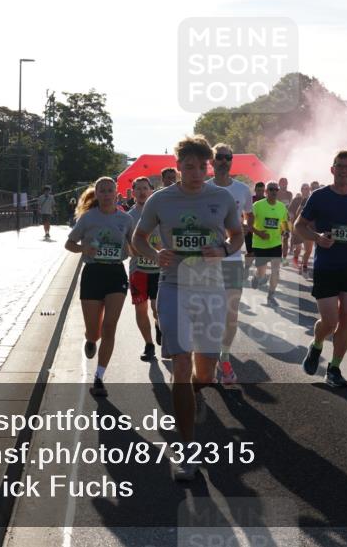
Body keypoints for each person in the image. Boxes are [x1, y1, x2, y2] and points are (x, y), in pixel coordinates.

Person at [132, 135, 242, 481]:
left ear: (208, 166)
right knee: (181, 364)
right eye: (189, 166)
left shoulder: (221, 197)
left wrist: (223, 251)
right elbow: (138, 238)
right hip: (174, 286)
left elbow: (238, 234)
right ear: (178, 167)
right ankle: (187, 450)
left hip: (210, 288)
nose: (196, 173)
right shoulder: (161, 200)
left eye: (202, 167)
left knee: (204, 374)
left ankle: (195, 391)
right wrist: (154, 254)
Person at [295, 150, 347, 388]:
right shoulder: (319, 197)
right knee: (329, 322)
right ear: (332, 169)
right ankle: (317, 344)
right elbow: (299, 226)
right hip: (327, 267)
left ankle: (334, 368)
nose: (344, 171)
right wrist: (317, 237)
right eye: (340, 166)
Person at [67, 177, 135, 396]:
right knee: (94, 331)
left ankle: (99, 377)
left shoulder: (126, 219)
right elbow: (69, 243)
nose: (106, 194)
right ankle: (89, 340)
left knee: (109, 327)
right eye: (102, 191)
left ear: (117, 193)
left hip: (116, 273)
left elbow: (135, 247)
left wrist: (133, 248)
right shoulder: (88, 218)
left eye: (110, 190)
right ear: (96, 194)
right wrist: (83, 248)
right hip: (93, 274)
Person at [207, 143, 253, 384]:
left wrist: (245, 227)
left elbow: (249, 214)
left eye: (228, 158)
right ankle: (208, 354)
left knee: (231, 315)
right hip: (207, 261)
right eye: (220, 157)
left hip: (233, 258)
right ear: (212, 162)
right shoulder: (201, 189)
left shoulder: (242, 190)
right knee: (210, 313)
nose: (224, 161)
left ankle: (224, 357)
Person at [127, 177, 163, 359]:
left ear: (151, 191)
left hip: (158, 270)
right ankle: (148, 345)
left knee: (158, 308)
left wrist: (158, 249)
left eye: (145, 188)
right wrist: (135, 249)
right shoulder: (128, 217)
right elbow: (126, 245)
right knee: (140, 309)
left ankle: (159, 325)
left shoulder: (160, 212)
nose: (142, 192)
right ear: (133, 193)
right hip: (138, 269)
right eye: (138, 189)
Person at [251, 181, 290, 306]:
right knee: (262, 271)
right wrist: (259, 233)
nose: (274, 191)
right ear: (266, 191)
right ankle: (257, 277)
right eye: (271, 189)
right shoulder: (257, 205)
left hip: (275, 244)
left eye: (276, 189)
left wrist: (286, 234)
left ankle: (271, 294)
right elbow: (247, 223)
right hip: (260, 244)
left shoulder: (281, 207)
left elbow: (284, 223)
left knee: (275, 270)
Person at [243, 181, 266, 275]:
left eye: (262, 190)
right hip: (250, 230)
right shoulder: (250, 199)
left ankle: (258, 273)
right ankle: (247, 268)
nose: (260, 192)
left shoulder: (267, 201)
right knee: (250, 252)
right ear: (255, 190)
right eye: (258, 190)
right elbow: (244, 213)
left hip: (261, 230)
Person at [288, 183, 312, 270]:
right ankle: (295, 259)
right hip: (297, 227)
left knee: (308, 250)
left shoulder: (312, 199)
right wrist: (291, 221)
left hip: (308, 228)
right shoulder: (296, 199)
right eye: (304, 188)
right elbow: (290, 211)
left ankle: (304, 265)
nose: (306, 190)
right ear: (301, 190)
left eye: (307, 189)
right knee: (298, 248)